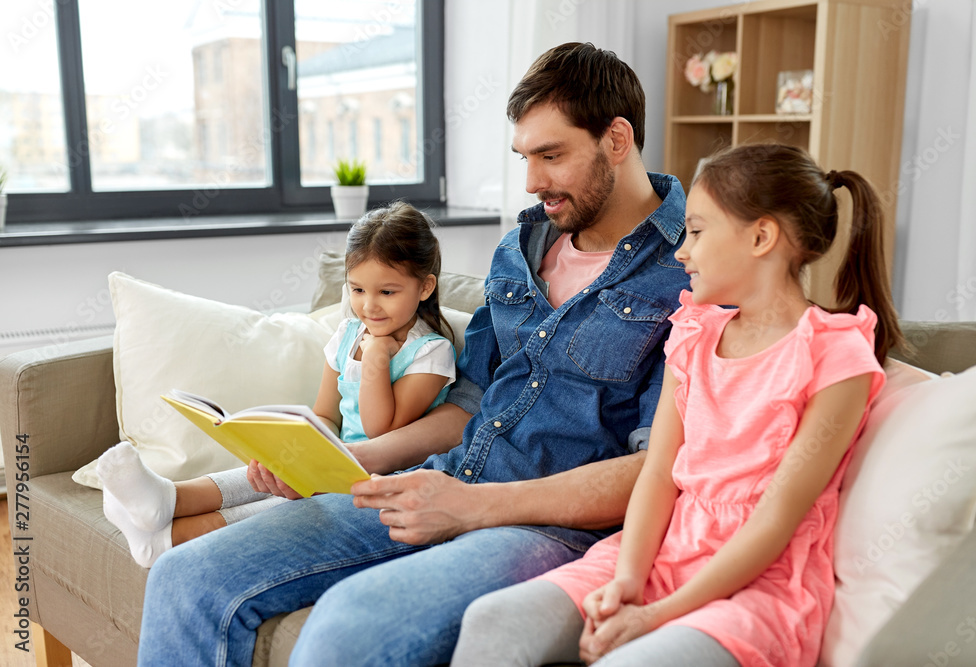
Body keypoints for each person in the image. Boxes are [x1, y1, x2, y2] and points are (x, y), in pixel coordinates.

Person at [137, 41, 691, 666]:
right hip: (444, 479)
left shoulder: (690, 271)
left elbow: (660, 470)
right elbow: (469, 404)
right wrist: (345, 460)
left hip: (550, 528)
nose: (534, 184)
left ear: (617, 139)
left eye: (551, 156)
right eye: (525, 158)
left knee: (354, 626)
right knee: (186, 576)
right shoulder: (521, 248)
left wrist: (475, 508)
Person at [451, 143, 902, 667]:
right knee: (495, 622)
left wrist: (656, 615)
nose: (681, 251)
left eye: (697, 231)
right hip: (659, 549)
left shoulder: (835, 353)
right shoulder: (692, 331)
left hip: (756, 587)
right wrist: (627, 581)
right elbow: (659, 474)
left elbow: (776, 520)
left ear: (761, 237)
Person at [98, 201, 456, 568]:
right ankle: (167, 500)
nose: (369, 306)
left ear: (425, 287)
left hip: (384, 475)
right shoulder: (347, 335)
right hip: (338, 459)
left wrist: (378, 357)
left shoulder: (430, 353)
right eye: (358, 290)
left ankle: (166, 540)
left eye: (387, 292)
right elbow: (325, 414)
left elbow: (380, 428)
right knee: (266, 474)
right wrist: (293, 449)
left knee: (284, 503)